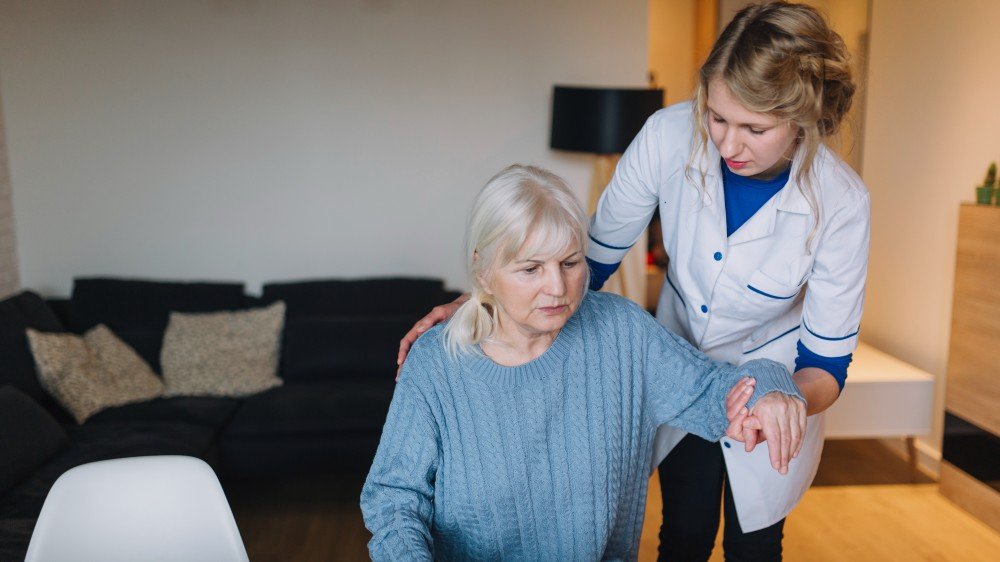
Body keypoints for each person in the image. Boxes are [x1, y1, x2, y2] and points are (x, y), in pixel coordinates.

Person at [396, 3, 869, 560]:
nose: (727, 144)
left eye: (755, 128)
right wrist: (489, 303)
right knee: (684, 533)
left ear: (802, 119)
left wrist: (781, 399)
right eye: (716, 117)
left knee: (757, 547)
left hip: (780, 384)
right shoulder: (669, 136)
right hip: (676, 362)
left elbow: (827, 364)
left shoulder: (840, 202)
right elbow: (587, 264)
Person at [363, 165, 807, 561]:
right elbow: (395, 498)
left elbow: (715, 390)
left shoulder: (622, 333)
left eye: (570, 262)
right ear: (483, 273)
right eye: (531, 269)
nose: (558, 288)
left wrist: (770, 385)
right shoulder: (436, 365)